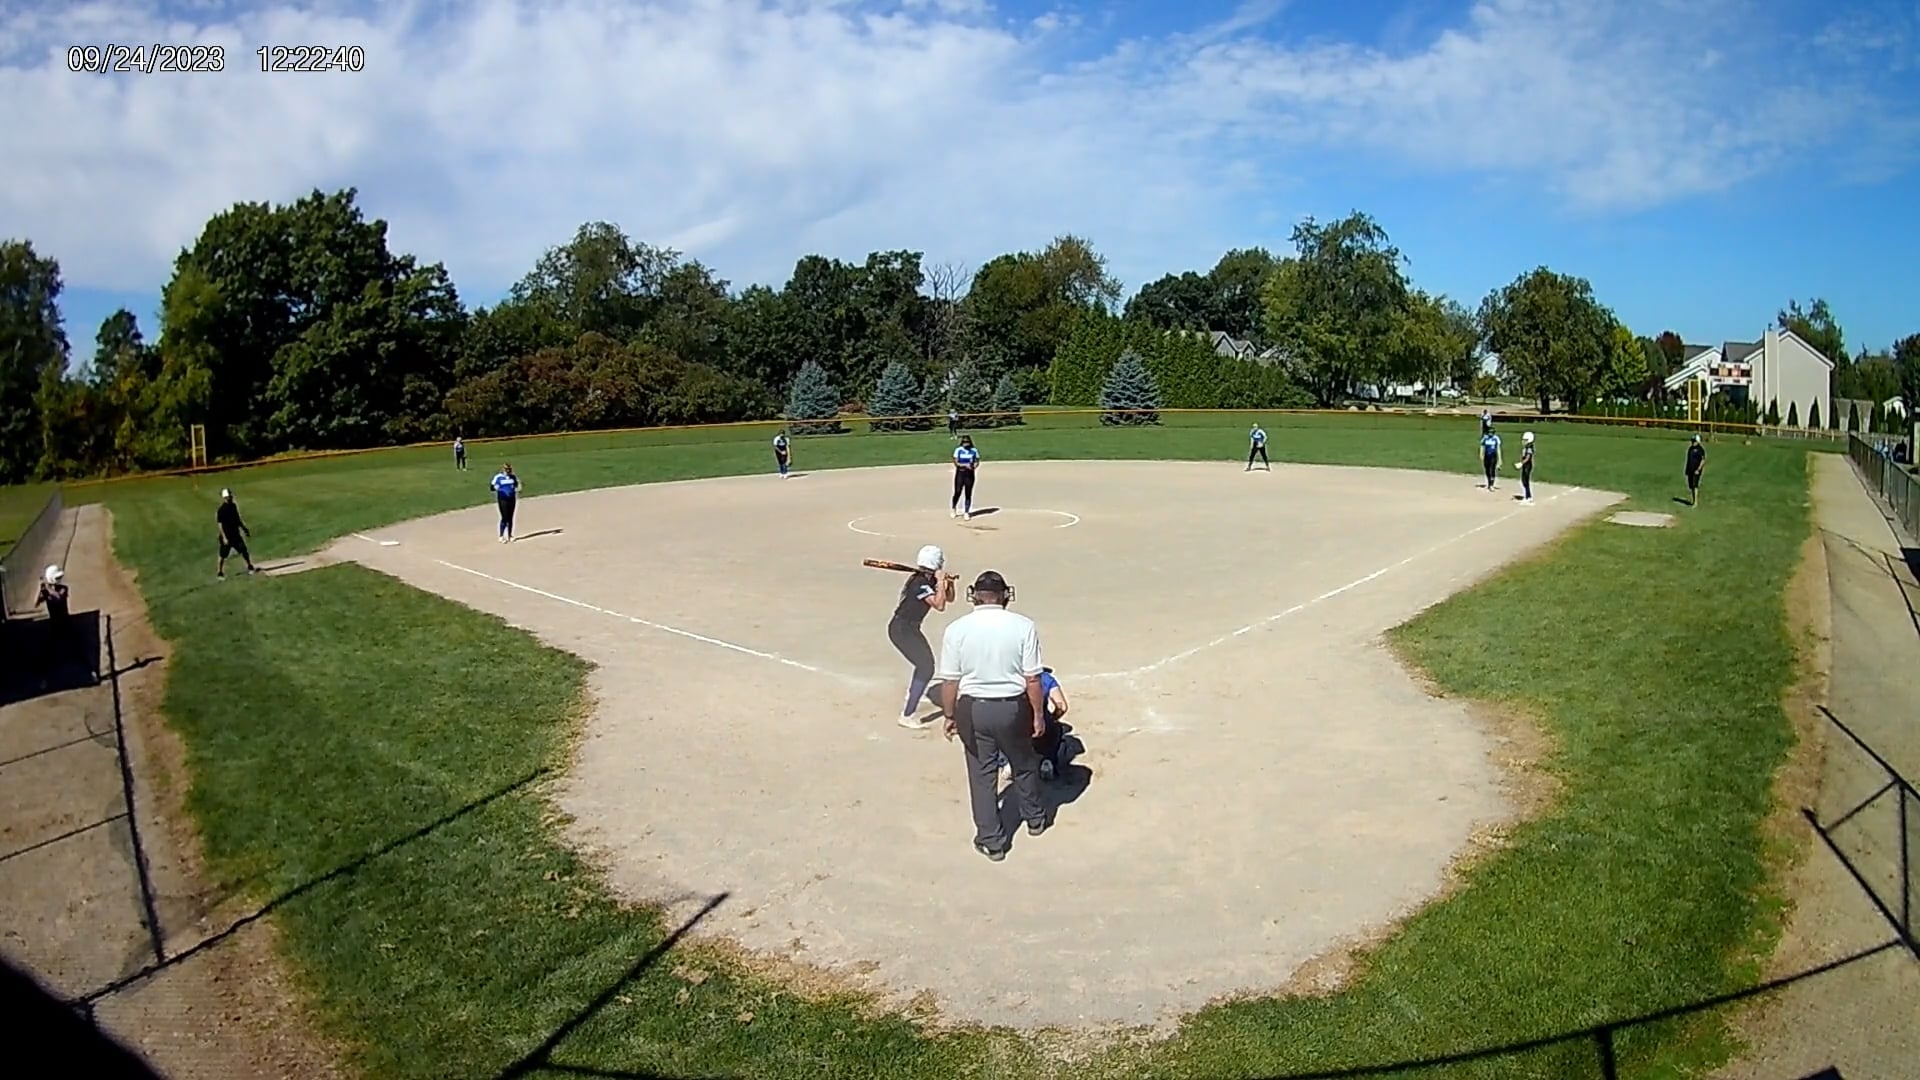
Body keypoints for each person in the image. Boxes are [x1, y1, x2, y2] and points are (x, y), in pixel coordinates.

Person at [937, 570, 1049, 861]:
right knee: (1024, 763)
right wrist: (1038, 714)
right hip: (1013, 706)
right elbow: (1033, 678)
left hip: (973, 708)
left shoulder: (956, 629)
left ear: (974, 596)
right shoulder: (1023, 625)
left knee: (982, 774)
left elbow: (949, 681)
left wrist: (949, 714)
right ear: (1004, 596)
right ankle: (1035, 819)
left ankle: (992, 841)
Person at [889, 545, 956, 729]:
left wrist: (948, 583)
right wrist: (940, 582)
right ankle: (907, 715)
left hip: (910, 629)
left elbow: (949, 598)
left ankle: (914, 693)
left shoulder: (928, 580)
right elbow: (939, 605)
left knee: (925, 665)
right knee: (926, 667)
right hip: (901, 629)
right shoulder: (920, 583)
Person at [986, 665, 1069, 782]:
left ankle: (1008, 762)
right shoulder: (1046, 678)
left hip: (1014, 724)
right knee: (1056, 729)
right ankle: (1047, 760)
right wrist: (1052, 718)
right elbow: (1062, 706)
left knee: (999, 727)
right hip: (1040, 725)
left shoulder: (1008, 678)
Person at [35, 564, 74, 680]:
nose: (59, 580)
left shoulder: (64, 588)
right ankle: (46, 676)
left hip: (65, 622)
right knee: (50, 650)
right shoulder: (47, 592)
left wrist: (47, 588)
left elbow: (59, 598)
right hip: (54, 624)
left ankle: (89, 670)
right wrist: (40, 590)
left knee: (74, 646)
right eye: (57, 578)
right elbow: (36, 604)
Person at [215, 489, 257, 578]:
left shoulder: (233, 506)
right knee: (223, 555)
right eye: (229, 497)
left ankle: (250, 566)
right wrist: (224, 537)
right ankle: (220, 572)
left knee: (244, 550)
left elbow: (237, 519)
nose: (231, 498)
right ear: (225, 497)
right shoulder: (221, 510)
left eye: (231, 496)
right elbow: (220, 525)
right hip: (227, 535)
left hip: (235, 534)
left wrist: (244, 528)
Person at [951, 435, 980, 520]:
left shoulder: (974, 450)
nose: (965, 444)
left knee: (968, 492)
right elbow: (956, 462)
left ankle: (966, 512)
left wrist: (974, 466)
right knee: (958, 491)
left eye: (967, 442)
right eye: (964, 442)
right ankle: (953, 508)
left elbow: (977, 461)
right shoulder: (958, 450)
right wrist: (964, 465)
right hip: (960, 473)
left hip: (970, 474)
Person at [491, 463, 521, 542]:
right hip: (502, 499)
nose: (508, 471)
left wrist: (517, 488)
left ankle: (510, 535)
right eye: (506, 469)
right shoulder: (498, 477)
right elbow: (492, 487)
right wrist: (495, 487)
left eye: (509, 469)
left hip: (512, 499)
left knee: (510, 517)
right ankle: (501, 535)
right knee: (504, 517)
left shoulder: (513, 477)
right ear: (503, 469)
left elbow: (516, 485)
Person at [1685, 435, 1707, 506]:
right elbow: (1688, 460)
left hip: (1696, 470)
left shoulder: (1700, 449)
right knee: (1691, 486)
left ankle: (1695, 502)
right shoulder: (1690, 448)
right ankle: (1693, 500)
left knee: (1695, 485)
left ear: (1698, 441)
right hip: (1690, 470)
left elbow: (1703, 460)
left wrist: (1698, 469)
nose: (1692, 442)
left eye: (1694, 441)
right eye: (1692, 441)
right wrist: (1687, 470)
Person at [1515, 431, 1536, 503]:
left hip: (1527, 465)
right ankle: (1527, 496)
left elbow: (1528, 458)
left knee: (1525, 481)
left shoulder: (1529, 448)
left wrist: (1521, 463)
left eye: (1525, 440)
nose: (1523, 441)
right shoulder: (1526, 447)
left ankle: (1528, 496)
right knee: (1524, 481)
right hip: (1525, 465)